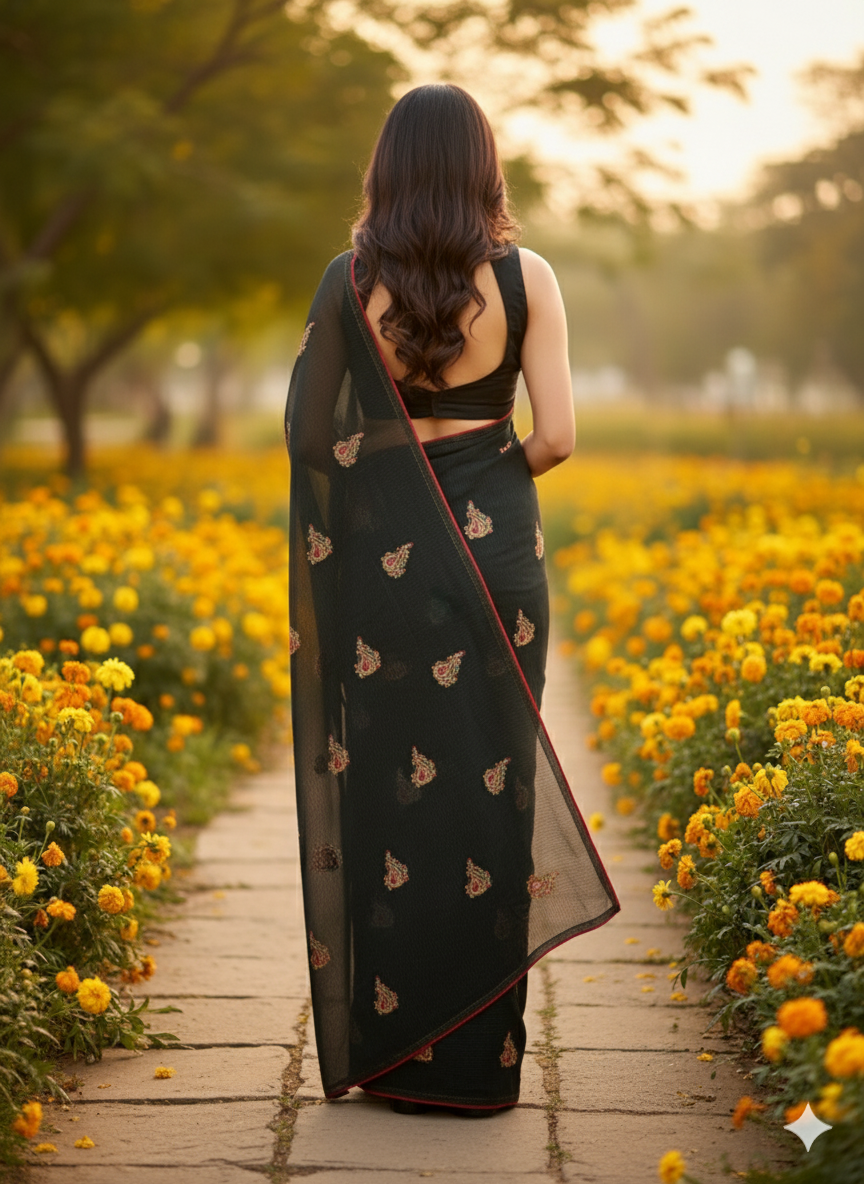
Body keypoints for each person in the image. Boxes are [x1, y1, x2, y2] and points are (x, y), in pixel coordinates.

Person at [284, 82, 619, 1118]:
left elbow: (305, 437)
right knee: (492, 789)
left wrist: (394, 482)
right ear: (484, 166)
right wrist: (485, 475)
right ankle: (479, 1066)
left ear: (386, 166)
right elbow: (557, 435)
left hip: (384, 563)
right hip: (498, 564)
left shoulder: (351, 282)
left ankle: (394, 1054)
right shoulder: (529, 277)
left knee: (386, 785)